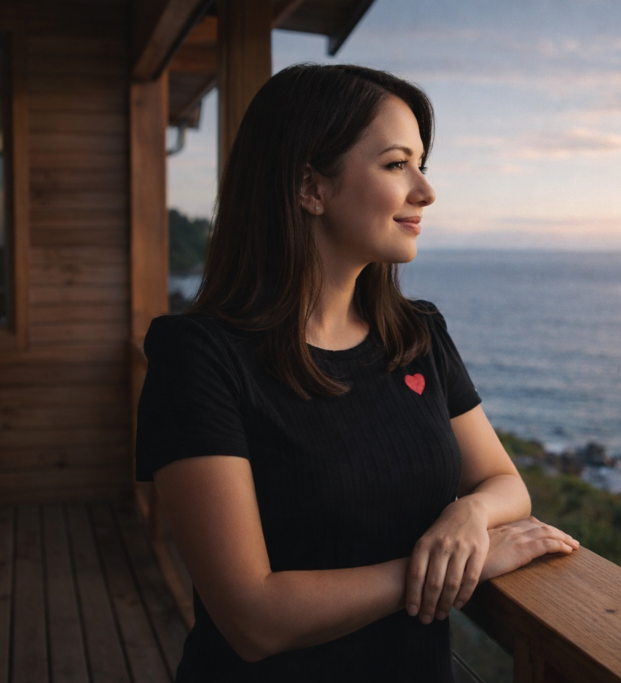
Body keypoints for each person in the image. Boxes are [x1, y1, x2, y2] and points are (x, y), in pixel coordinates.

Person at [135, 63, 579, 682]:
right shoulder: (199, 357)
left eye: (421, 165)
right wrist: (447, 568)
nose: (424, 191)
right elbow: (252, 617)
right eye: (397, 165)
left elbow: (505, 483)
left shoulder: (417, 334)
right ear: (309, 187)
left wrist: (468, 517)